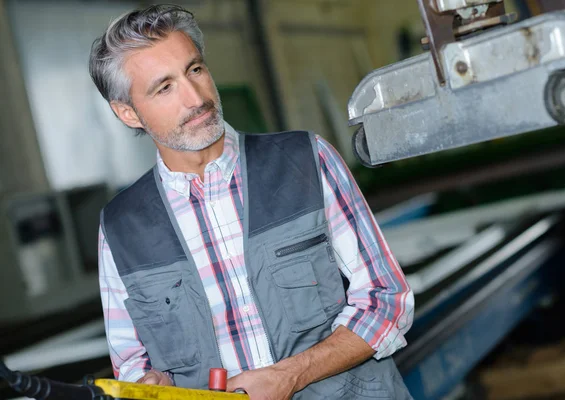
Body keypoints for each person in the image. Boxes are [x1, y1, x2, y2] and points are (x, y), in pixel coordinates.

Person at [90, 5, 414, 400]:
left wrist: (290, 375)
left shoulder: (305, 161)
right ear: (128, 113)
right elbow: (132, 365)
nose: (195, 98)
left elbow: (386, 299)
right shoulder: (122, 225)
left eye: (195, 69)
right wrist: (152, 385)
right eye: (165, 87)